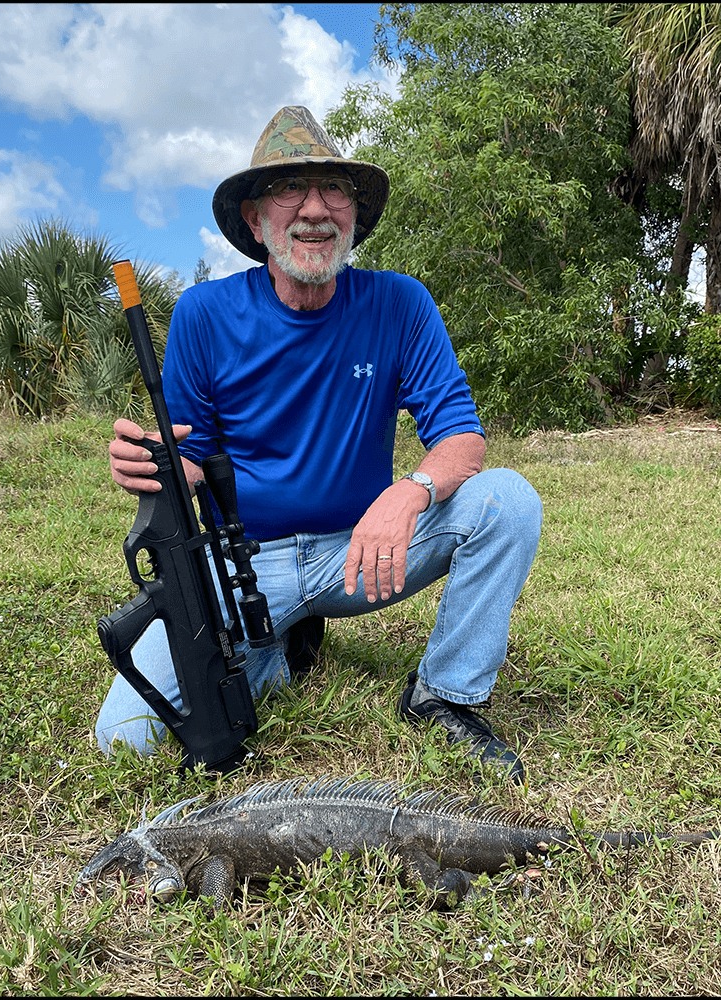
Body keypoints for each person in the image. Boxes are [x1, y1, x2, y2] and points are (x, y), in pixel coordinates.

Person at [97, 106, 543, 783]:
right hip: (246, 565)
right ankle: (278, 641)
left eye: (334, 190)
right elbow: (194, 453)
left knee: (507, 500)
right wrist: (151, 461)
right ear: (254, 219)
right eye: (288, 190)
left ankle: (444, 696)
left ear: (355, 215)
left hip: (361, 554)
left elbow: (461, 437)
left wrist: (408, 491)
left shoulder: (401, 303)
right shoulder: (202, 313)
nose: (314, 209)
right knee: (123, 740)